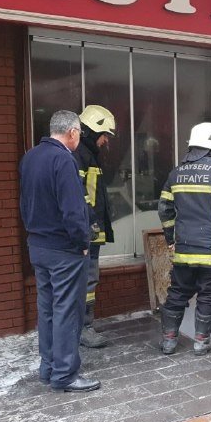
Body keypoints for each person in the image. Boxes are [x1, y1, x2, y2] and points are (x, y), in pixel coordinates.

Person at [20, 110, 99, 392]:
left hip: (38, 245)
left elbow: (25, 201)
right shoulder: (64, 159)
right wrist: (83, 244)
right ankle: (65, 374)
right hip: (64, 249)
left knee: (48, 308)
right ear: (73, 133)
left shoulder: (31, 156)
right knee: (67, 310)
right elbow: (73, 210)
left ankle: (49, 367)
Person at [157, 123, 211, 356]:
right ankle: (201, 341)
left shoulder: (176, 173)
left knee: (177, 292)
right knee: (209, 294)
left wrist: (170, 238)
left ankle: (168, 341)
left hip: (184, 250)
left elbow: (164, 209)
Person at [73, 105, 117, 348]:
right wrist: (91, 222)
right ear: (91, 131)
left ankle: (83, 326)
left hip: (90, 229)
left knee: (90, 279)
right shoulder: (79, 154)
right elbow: (79, 194)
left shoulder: (87, 154)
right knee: (87, 281)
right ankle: (83, 328)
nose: (105, 141)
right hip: (86, 230)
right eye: (104, 135)